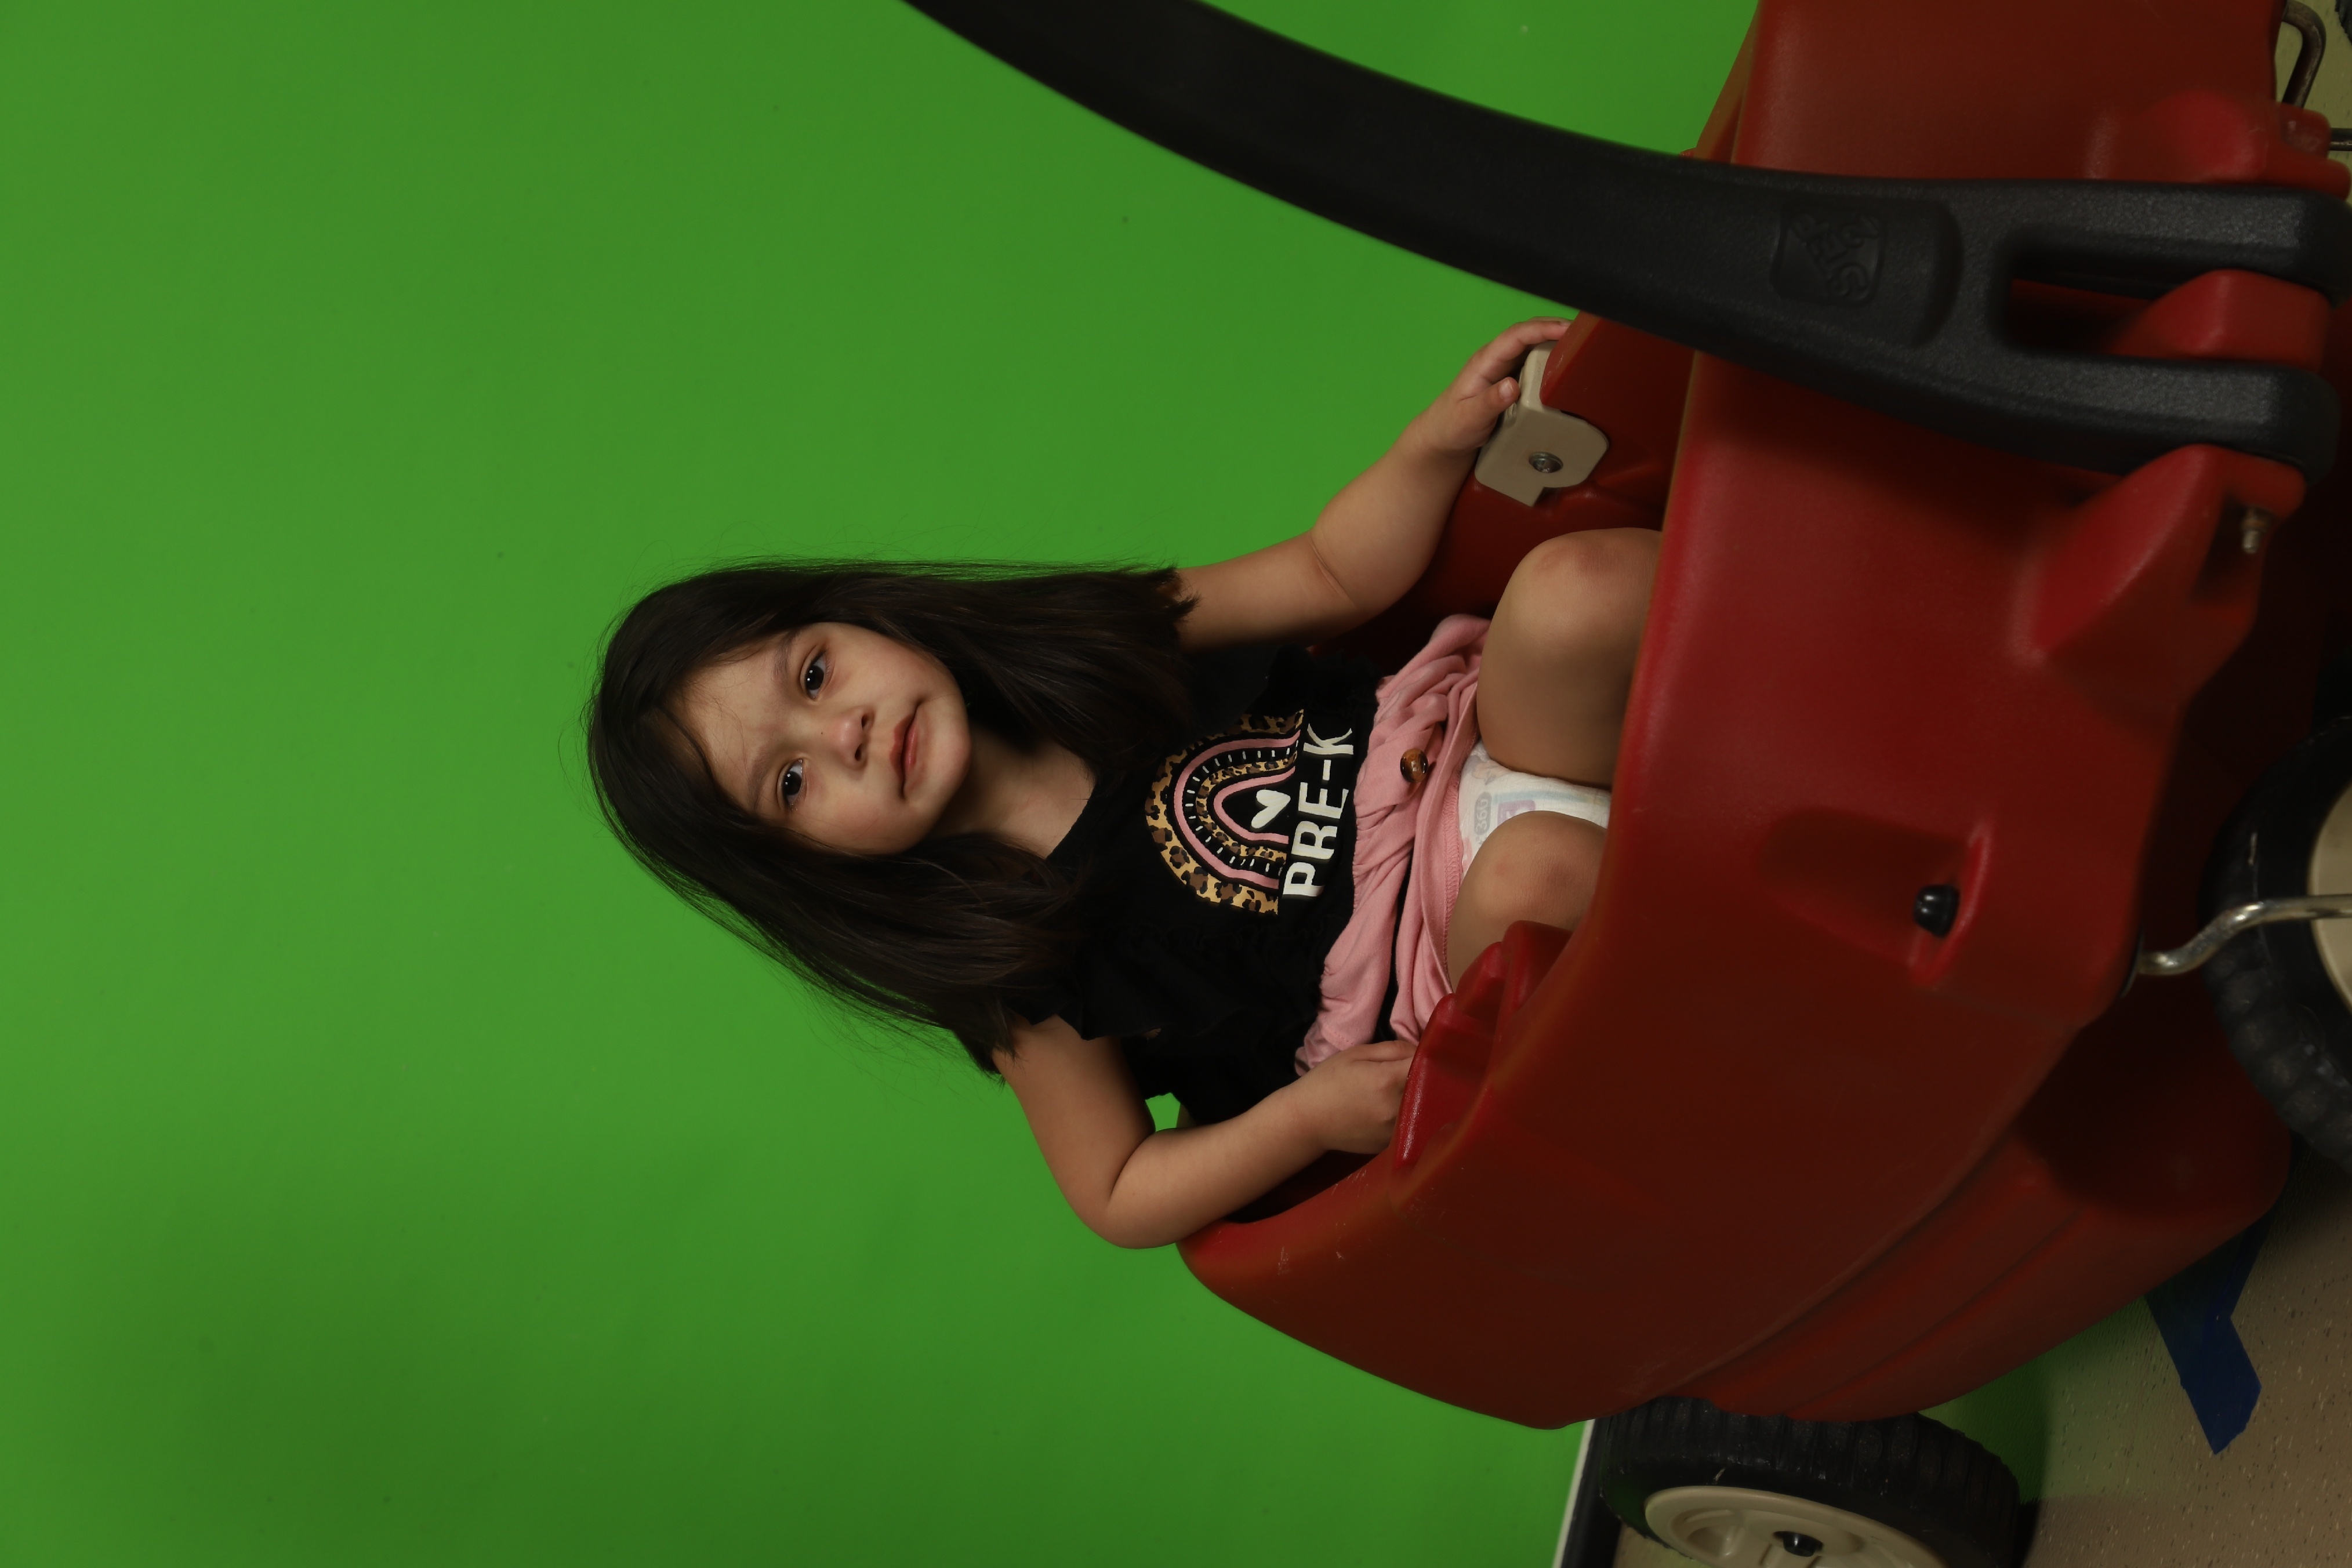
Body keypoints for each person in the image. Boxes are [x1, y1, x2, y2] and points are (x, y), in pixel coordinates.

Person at [587, 318, 1658, 1249]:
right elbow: (1115, 1189)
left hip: (1471, 753)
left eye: (815, 674)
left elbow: (1330, 572)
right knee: (1530, 873)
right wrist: (1305, 1121)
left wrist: (1431, 446)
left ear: (854, 614)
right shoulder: (1017, 964)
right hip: (1436, 961)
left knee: (1574, 591)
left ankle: (1759, 718)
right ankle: (1720, 956)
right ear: (804, 866)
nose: (846, 734)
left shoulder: (1087, 651)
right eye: (790, 783)